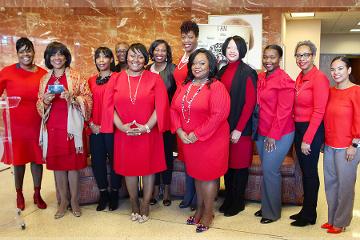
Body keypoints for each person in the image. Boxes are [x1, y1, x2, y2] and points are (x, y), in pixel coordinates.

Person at [101, 43, 169, 223]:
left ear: (145, 59)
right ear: (125, 57)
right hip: (124, 134)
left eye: (140, 57)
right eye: (132, 55)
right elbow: (109, 107)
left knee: (148, 170)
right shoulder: (115, 79)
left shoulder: (155, 79)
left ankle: (145, 204)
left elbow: (161, 106)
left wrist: (147, 126)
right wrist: (122, 127)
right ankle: (133, 202)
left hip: (148, 133)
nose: (135, 60)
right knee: (129, 170)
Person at [171, 48, 230, 232]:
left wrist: (196, 134)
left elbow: (218, 115)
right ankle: (199, 209)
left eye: (202, 63)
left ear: (211, 65)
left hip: (211, 140)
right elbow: (173, 109)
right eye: (194, 63)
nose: (197, 66)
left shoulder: (216, 86)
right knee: (196, 174)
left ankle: (208, 213)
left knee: (209, 176)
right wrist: (179, 131)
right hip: (188, 140)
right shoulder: (185, 85)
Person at [37, 41, 92, 219]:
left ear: (66, 57)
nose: (57, 58)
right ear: (48, 58)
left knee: (73, 167)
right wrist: (45, 100)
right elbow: (39, 103)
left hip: (72, 129)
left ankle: (74, 201)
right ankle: (63, 202)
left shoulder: (76, 76)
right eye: (53, 55)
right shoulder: (44, 79)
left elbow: (88, 98)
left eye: (60, 54)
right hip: (53, 127)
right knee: (58, 167)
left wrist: (74, 98)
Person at [0, 37, 47, 210]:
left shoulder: (43, 74)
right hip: (16, 126)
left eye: (28, 51)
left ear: (34, 52)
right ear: (17, 53)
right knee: (18, 161)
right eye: (22, 51)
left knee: (37, 159)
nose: (25, 54)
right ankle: (19, 194)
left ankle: (37, 193)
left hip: (36, 123)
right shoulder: (7, 72)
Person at [253, 45, 295, 224]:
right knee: (266, 170)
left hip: (279, 132)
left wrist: (273, 134)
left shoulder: (284, 80)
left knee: (271, 170)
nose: (268, 61)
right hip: (262, 131)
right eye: (265, 57)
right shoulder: (261, 76)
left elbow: (284, 111)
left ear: (280, 59)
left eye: (273, 57)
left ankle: (272, 213)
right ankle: (266, 205)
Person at [290, 40, 329, 227]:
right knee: (305, 171)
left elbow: (319, 111)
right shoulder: (299, 77)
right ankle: (305, 209)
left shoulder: (319, 78)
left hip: (310, 130)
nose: (301, 58)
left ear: (313, 56)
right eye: (298, 55)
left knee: (310, 172)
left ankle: (309, 214)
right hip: (299, 128)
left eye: (305, 55)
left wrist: (307, 139)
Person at [217, 36, 257, 217]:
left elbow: (250, 103)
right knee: (227, 165)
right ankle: (229, 199)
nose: (231, 50)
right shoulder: (222, 70)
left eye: (235, 47)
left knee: (239, 167)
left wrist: (239, 129)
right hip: (223, 128)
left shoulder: (248, 72)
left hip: (241, 130)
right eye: (229, 47)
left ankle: (238, 201)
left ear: (242, 50)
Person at [322, 56, 360, 234]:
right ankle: (332, 219)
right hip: (330, 145)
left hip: (348, 147)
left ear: (349, 70)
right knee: (330, 184)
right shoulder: (330, 91)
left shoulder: (357, 91)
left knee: (345, 185)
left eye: (340, 69)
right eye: (333, 69)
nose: (336, 73)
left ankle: (342, 221)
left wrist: (355, 144)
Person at [87, 47, 122, 211]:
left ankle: (114, 192)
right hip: (95, 128)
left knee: (116, 161)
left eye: (105, 57)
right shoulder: (90, 80)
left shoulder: (118, 77)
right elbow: (87, 105)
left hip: (113, 128)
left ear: (111, 60)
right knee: (98, 162)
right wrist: (91, 124)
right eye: (98, 57)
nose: (101, 60)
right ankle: (103, 194)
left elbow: (120, 104)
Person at [147, 39, 176, 206]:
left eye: (163, 50)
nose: (159, 53)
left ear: (167, 53)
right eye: (156, 50)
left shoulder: (173, 70)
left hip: (166, 120)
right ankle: (154, 188)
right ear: (152, 52)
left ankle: (166, 189)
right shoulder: (145, 70)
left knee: (166, 155)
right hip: (149, 121)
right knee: (152, 154)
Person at [174, 20, 199, 210]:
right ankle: (189, 193)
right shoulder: (182, 57)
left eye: (190, 37)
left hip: (193, 109)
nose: (186, 40)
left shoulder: (199, 58)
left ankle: (198, 196)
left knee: (196, 154)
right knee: (185, 155)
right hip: (180, 110)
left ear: (197, 38)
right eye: (184, 37)